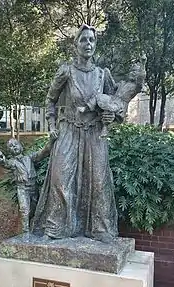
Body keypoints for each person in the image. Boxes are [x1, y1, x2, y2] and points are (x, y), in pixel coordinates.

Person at [31, 24, 145, 243]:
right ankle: (56, 226)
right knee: (61, 178)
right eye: (83, 40)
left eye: (92, 40)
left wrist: (111, 117)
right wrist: (51, 124)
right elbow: (50, 100)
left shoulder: (103, 75)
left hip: (95, 134)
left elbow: (116, 103)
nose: (88, 44)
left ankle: (100, 228)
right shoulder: (66, 71)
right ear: (76, 44)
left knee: (99, 180)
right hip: (68, 131)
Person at [0, 138, 53, 233]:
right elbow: (5, 163)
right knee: (24, 210)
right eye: (11, 146)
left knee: (35, 210)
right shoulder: (12, 162)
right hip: (22, 188)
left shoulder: (29, 158)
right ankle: (25, 232)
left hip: (34, 188)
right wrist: (0, 157)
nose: (14, 147)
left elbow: (43, 152)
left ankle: (34, 227)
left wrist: (51, 141)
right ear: (9, 151)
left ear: (21, 146)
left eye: (15, 144)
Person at [97, 57, 147, 137]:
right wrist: (106, 73)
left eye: (134, 71)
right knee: (101, 97)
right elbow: (112, 87)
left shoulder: (136, 87)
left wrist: (143, 65)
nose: (131, 73)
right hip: (113, 99)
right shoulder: (123, 83)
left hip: (120, 105)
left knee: (108, 109)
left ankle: (105, 128)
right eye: (131, 71)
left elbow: (141, 78)